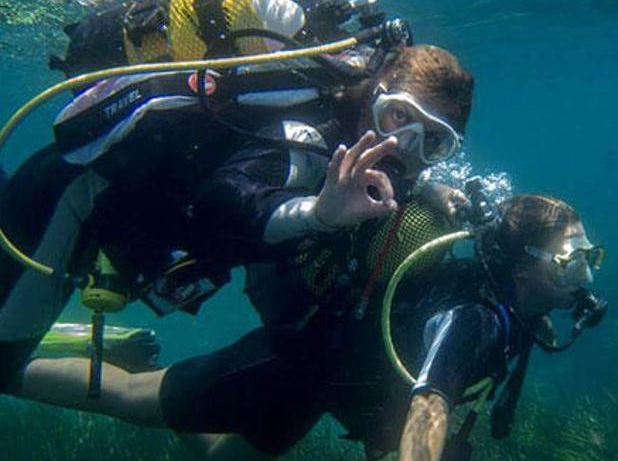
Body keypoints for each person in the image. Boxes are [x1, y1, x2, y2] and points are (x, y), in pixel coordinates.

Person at [0, 32, 475, 394]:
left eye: (432, 142)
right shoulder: (307, 135)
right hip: (71, 197)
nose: (402, 147)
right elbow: (226, 198)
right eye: (398, 117)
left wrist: (427, 188)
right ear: (375, 95)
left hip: (116, 219)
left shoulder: (357, 142)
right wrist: (319, 214)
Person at [14, 193, 608, 461]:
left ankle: (139, 366)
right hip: (295, 367)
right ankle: (7, 367)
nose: (582, 272)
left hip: (337, 391)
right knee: (130, 400)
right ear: (521, 264)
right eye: (569, 259)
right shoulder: (475, 316)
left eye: (588, 257)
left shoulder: (520, 312)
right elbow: (429, 406)